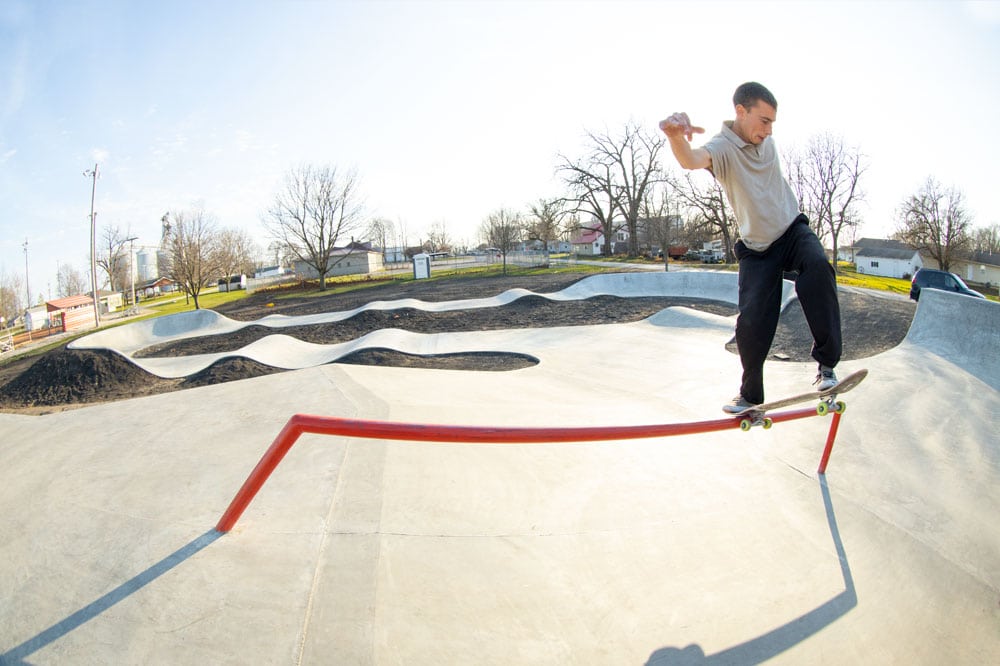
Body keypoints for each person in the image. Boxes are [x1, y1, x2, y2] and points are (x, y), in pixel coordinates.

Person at [658, 82, 842, 413]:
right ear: (741, 112)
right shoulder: (722, 149)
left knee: (818, 268)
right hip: (758, 250)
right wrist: (674, 136)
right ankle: (750, 396)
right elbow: (692, 159)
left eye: (773, 123)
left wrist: (765, 130)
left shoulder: (764, 139)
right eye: (764, 121)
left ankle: (827, 368)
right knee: (752, 322)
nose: (769, 131)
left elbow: (762, 139)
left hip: (793, 230)